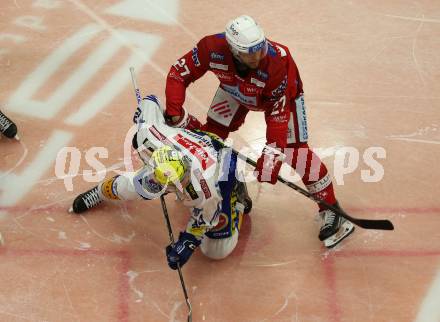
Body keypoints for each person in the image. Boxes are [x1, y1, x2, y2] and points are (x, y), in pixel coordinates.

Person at [164, 15, 354, 248]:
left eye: (260, 48)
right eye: (249, 52)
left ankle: (331, 207)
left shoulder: (277, 61)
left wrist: (272, 154)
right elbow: (178, 73)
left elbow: (278, 115)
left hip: (280, 101)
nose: (257, 56)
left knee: (295, 152)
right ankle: (222, 186)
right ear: (233, 50)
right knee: (210, 139)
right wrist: (174, 111)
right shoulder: (210, 47)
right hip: (234, 90)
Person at [69, 95, 247, 268]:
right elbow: (150, 101)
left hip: (222, 164)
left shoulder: (205, 190)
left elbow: (206, 219)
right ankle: (99, 192)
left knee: (215, 250)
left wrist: (187, 242)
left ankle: (235, 194)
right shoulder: (148, 136)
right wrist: (141, 113)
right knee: (128, 187)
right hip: (185, 146)